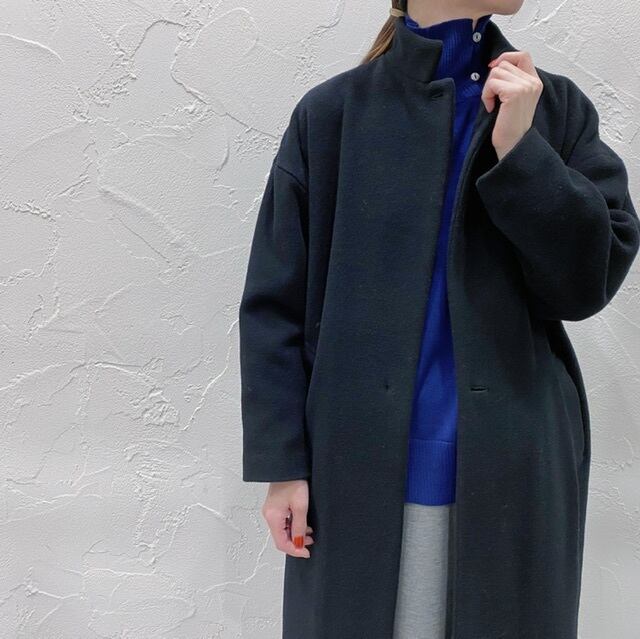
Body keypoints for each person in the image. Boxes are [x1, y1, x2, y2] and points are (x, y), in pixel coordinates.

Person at [238, 1, 640, 638]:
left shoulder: (552, 109)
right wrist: (282, 464)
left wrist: (521, 152)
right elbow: (274, 304)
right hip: (357, 472)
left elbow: (588, 283)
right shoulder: (332, 116)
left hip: (512, 472)